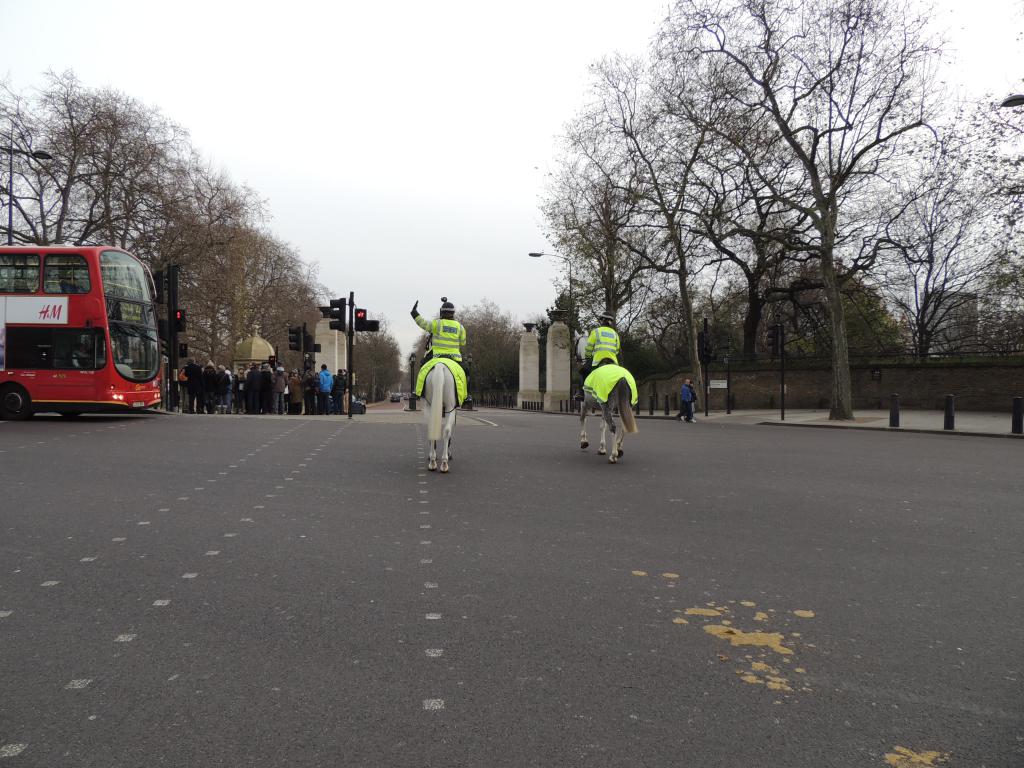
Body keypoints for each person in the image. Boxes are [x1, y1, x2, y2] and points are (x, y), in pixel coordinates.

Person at [411, 297, 466, 365]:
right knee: (466, 372)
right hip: (455, 357)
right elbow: (463, 343)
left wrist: (414, 313)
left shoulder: (437, 323)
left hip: (436, 355)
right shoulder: (460, 327)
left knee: (423, 365)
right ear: (453, 312)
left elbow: (423, 323)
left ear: (442, 312)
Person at [581, 311, 621, 390]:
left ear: (602, 321)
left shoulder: (596, 332)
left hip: (598, 361)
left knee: (583, 372)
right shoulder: (615, 334)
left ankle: (581, 394)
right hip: (613, 362)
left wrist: (588, 357)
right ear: (611, 322)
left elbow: (589, 348)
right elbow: (617, 350)